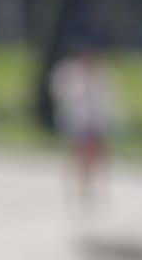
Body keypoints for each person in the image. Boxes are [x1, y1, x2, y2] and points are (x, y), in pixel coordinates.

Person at [49, 44, 118, 220]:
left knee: (96, 158)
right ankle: (82, 188)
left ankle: (91, 187)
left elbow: (108, 102)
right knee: (80, 158)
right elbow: (64, 98)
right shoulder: (70, 74)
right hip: (79, 124)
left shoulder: (102, 75)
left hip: (95, 124)